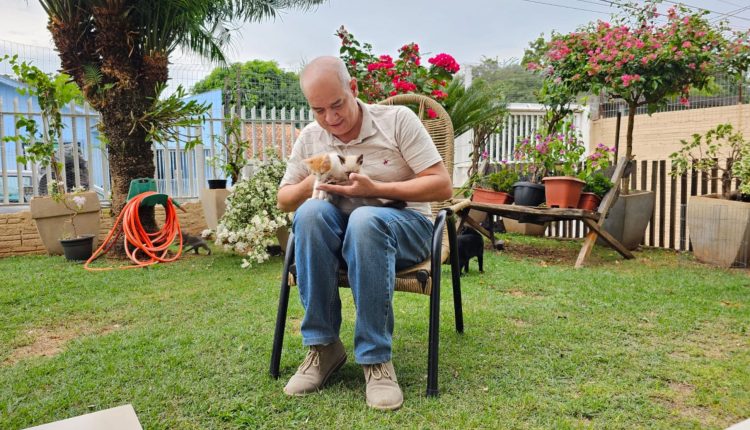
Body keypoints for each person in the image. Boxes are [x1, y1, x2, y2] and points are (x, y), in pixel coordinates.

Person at [276, 56, 452, 411]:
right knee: (309, 212)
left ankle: (376, 359)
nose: (330, 118)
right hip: (339, 238)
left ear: (353, 89)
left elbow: (442, 185)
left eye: (337, 105)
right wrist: (318, 176)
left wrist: (377, 188)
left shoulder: (398, 120)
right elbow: (284, 199)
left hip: (404, 226)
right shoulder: (312, 137)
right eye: (318, 110)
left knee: (366, 220)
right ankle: (324, 348)